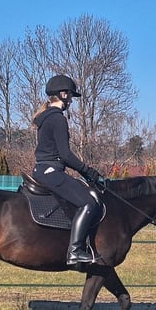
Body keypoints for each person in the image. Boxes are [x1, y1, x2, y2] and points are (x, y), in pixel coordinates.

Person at [32, 74, 104, 266]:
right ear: (63, 95)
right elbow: (65, 154)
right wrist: (88, 171)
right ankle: (75, 251)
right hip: (51, 171)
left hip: (42, 169)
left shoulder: (45, 118)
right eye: (70, 96)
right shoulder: (57, 119)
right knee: (89, 203)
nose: (71, 100)